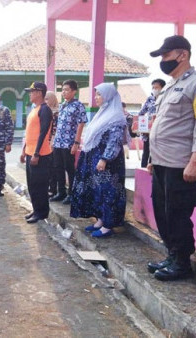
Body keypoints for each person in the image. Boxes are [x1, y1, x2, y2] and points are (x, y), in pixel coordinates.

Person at [146, 35, 196, 281]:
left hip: (181, 163)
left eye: (166, 56)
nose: (163, 61)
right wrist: (152, 157)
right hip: (161, 162)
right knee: (162, 211)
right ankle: (171, 254)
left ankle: (182, 263)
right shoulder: (169, 86)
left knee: (177, 213)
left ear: (183, 55)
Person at [70, 83, 127, 238]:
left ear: (108, 96)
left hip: (108, 164)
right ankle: (101, 220)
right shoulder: (102, 113)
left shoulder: (116, 116)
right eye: (96, 94)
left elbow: (114, 141)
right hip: (95, 159)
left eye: (99, 95)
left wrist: (104, 159)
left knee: (109, 192)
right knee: (98, 191)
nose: (96, 98)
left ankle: (108, 225)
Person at [20, 82, 53, 223]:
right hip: (30, 152)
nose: (30, 94)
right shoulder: (35, 109)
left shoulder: (45, 110)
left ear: (39, 93)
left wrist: (36, 153)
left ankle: (42, 212)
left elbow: (43, 133)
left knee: (40, 185)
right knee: (32, 184)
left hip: (40, 154)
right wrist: (24, 150)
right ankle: (36, 209)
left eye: (32, 91)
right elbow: (30, 133)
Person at [50, 80, 87, 205]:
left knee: (70, 169)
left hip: (69, 143)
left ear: (74, 91)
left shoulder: (78, 105)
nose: (64, 92)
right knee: (57, 167)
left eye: (67, 90)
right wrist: (54, 140)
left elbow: (81, 124)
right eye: (63, 90)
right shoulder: (63, 105)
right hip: (58, 142)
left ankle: (72, 194)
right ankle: (61, 192)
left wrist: (76, 143)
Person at [139, 79, 166, 168]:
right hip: (148, 132)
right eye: (153, 87)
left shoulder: (166, 98)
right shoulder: (150, 99)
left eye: (156, 87)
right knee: (146, 151)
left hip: (161, 132)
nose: (154, 89)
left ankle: (152, 171)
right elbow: (141, 112)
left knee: (155, 153)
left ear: (162, 88)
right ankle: (143, 170)